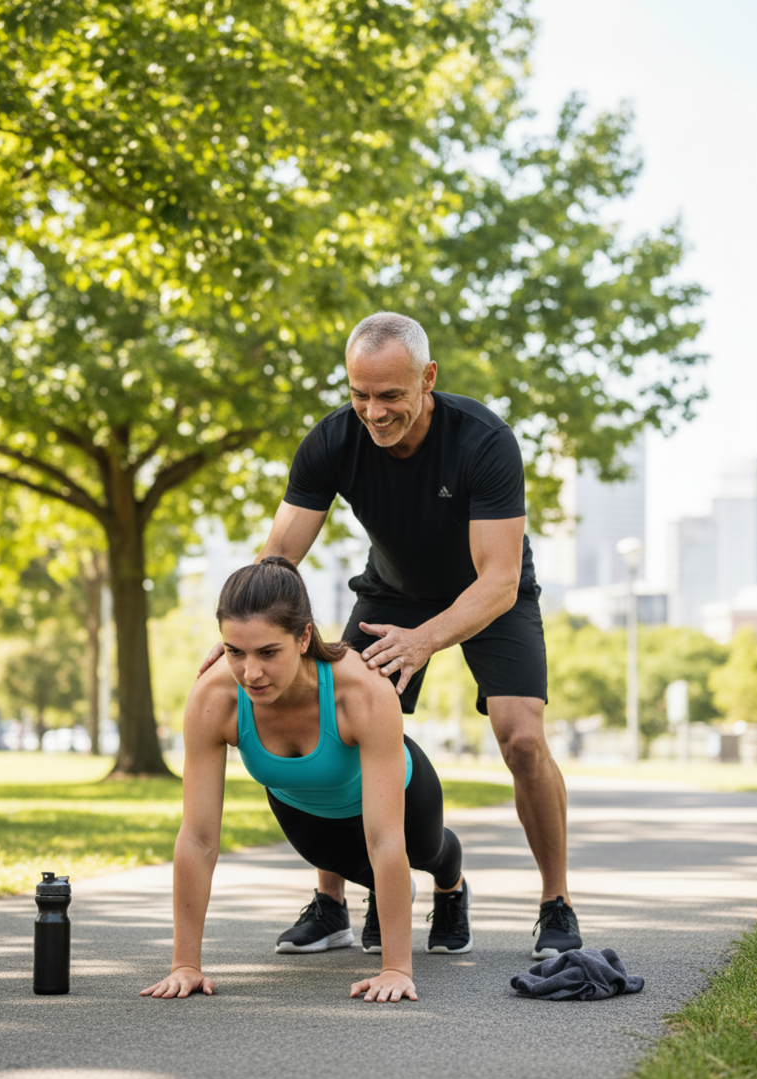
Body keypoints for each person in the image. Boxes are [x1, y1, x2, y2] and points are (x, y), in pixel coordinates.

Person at [200, 312, 582, 960]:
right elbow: (279, 556)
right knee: (334, 715)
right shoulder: (331, 441)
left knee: (521, 738)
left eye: (390, 396)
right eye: (359, 394)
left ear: (428, 378)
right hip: (389, 591)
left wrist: (425, 639)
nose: (373, 412)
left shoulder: (482, 441)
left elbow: (497, 581)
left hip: (492, 595)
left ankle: (556, 904)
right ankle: (331, 903)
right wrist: (249, 634)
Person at [141, 556, 471, 1004]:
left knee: (426, 853)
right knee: (360, 867)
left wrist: (395, 969)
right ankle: (378, 895)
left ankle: (451, 886)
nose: (250, 673)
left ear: (303, 637)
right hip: (308, 813)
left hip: (406, 799)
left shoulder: (360, 690)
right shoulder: (213, 698)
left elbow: (385, 839)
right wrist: (185, 965)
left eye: (267, 652)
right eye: (235, 652)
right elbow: (198, 838)